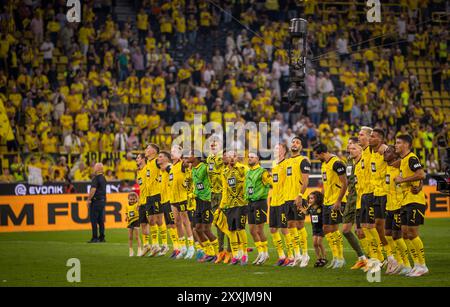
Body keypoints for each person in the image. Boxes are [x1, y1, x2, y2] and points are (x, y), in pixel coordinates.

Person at [395, 134, 429, 277]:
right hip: (405, 200)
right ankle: (416, 264)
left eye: (398, 143)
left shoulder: (411, 158)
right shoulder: (403, 160)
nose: (396, 145)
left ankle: (422, 265)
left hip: (415, 200)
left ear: (406, 145)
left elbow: (421, 174)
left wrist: (403, 180)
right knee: (405, 233)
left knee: (412, 233)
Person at [314, 143, 347, 269]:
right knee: (327, 228)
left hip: (336, 201)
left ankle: (340, 258)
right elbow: (325, 183)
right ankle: (336, 257)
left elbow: (345, 183)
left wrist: (338, 201)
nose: (316, 158)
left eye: (317, 156)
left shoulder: (337, 163)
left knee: (333, 228)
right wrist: (321, 198)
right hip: (327, 201)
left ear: (322, 153)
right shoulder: (324, 164)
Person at [358, 126, 384, 272]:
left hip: (374, 193)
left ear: (369, 137)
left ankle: (381, 258)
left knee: (374, 227)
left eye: (362, 135)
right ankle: (375, 259)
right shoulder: (364, 153)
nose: (359, 137)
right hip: (364, 195)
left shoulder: (376, 152)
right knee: (365, 227)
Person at [383, 145, 411, 275]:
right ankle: (399, 263)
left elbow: (415, 175)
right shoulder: (387, 167)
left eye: (389, 151)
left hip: (399, 206)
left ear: (395, 155)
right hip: (389, 206)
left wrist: (419, 186)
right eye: (385, 151)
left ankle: (407, 264)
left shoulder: (401, 166)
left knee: (397, 236)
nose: (385, 153)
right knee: (388, 234)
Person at [284, 136, 311, 267]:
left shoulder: (303, 160)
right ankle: (297, 255)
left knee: (300, 225)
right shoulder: (287, 161)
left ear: (301, 147)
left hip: (298, 197)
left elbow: (306, 180)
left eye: (298, 142)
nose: (294, 144)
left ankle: (305, 254)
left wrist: (300, 195)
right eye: (293, 142)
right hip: (287, 199)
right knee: (290, 226)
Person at [343, 137, 368, 270]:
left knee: (362, 231)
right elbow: (348, 180)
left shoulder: (365, 159)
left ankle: (375, 258)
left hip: (362, 198)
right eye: (348, 147)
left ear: (359, 148)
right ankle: (362, 258)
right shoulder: (348, 161)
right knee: (346, 230)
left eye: (352, 146)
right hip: (351, 198)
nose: (349, 149)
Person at [189, 151, 219, 262]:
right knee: (197, 229)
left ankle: (217, 254)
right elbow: (197, 185)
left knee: (206, 229)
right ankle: (210, 253)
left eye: (190, 154)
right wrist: (194, 194)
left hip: (206, 201)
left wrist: (213, 156)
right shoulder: (193, 168)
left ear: (196, 157)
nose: (187, 156)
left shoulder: (205, 167)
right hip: (198, 201)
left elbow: (213, 170)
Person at [369, 128, 392, 267]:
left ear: (381, 139)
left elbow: (397, 165)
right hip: (376, 193)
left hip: (385, 194)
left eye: (373, 136)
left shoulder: (386, 151)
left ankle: (393, 256)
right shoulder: (372, 152)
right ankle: (388, 255)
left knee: (387, 228)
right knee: (378, 226)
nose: (370, 138)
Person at [220, 150, 249, 265]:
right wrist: (222, 205)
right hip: (230, 204)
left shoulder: (243, 169)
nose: (232, 158)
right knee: (231, 230)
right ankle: (236, 255)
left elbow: (249, 183)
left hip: (242, 203)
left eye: (234, 156)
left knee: (240, 228)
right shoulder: (225, 172)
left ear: (237, 158)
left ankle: (244, 255)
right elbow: (225, 189)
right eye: (229, 156)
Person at [207, 139, 232, 264]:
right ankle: (220, 251)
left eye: (215, 143)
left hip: (224, 193)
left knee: (226, 223)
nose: (212, 145)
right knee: (217, 223)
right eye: (211, 143)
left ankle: (229, 251)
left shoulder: (224, 158)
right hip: (213, 195)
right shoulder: (209, 159)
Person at [169, 145, 195, 259]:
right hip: (174, 199)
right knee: (177, 222)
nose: (172, 153)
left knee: (186, 222)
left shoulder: (182, 165)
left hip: (183, 198)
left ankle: (191, 247)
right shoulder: (171, 167)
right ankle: (182, 247)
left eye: (174, 151)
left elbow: (187, 163)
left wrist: (186, 157)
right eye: (171, 151)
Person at [245, 152, 270, 265]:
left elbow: (272, 182)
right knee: (251, 230)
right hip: (250, 202)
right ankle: (260, 252)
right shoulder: (249, 172)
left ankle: (265, 253)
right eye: (249, 157)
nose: (249, 159)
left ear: (258, 159)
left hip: (260, 202)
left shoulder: (263, 172)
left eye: (252, 157)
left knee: (259, 230)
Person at [269, 144, 292, 266]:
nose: (275, 150)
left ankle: (291, 256)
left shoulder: (287, 163)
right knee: (273, 229)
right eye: (275, 148)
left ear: (284, 151)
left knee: (284, 229)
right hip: (274, 200)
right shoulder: (273, 163)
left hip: (283, 200)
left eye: (278, 148)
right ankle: (281, 256)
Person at [157, 151, 180, 258]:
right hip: (164, 201)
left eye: (160, 157)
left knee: (174, 223)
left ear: (167, 158)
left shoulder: (170, 168)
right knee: (169, 225)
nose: (158, 158)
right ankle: (176, 248)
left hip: (171, 200)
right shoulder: (161, 171)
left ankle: (179, 247)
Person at [145, 144, 166, 257]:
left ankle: (165, 245)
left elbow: (167, 168)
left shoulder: (157, 161)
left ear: (154, 151)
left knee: (159, 220)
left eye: (148, 148)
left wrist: (160, 179)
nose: (146, 150)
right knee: (151, 220)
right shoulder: (148, 162)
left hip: (157, 194)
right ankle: (155, 245)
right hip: (149, 195)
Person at [302, 191, 327, 267]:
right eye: (309, 198)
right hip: (314, 228)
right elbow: (306, 213)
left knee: (319, 243)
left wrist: (324, 227)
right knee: (315, 244)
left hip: (321, 228)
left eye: (312, 198)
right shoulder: (310, 207)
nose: (310, 200)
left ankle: (324, 258)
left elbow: (325, 217)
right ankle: (318, 258)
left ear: (317, 199)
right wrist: (300, 208)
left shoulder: (321, 207)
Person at [87, 163, 107, 243]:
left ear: (98, 168)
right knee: (101, 220)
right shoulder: (103, 178)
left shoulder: (96, 178)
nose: (93, 169)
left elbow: (93, 190)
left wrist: (88, 199)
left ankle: (95, 238)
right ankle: (102, 237)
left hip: (96, 201)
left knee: (94, 220)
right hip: (102, 201)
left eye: (94, 167)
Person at [136, 153, 151, 256]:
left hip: (149, 200)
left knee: (152, 223)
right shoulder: (139, 172)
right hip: (141, 201)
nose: (136, 160)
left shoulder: (148, 169)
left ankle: (156, 244)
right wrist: (138, 201)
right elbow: (141, 188)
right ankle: (146, 245)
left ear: (143, 159)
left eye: (138, 158)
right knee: (143, 224)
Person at [125, 192, 142, 257]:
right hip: (129, 222)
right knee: (130, 237)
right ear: (128, 199)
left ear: (136, 199)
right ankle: (131, 250)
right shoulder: (127, 205)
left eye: (133, 199)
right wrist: (126, 217)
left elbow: (140, 204)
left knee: (137, 236)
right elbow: (127, 212)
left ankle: (139, 250)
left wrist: (138, 202)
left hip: (136, 221)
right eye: (130, 199)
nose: (132, 201)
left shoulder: (137, 204)